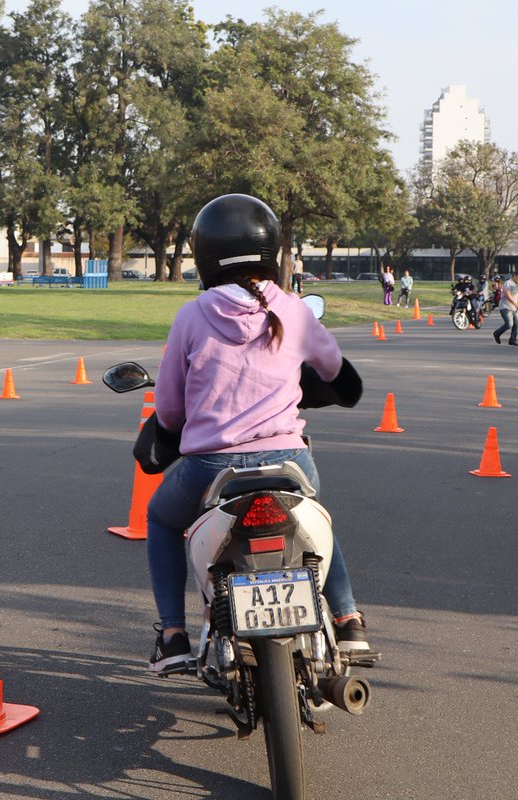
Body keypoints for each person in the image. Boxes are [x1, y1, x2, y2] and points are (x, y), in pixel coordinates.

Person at [144, 193, 372, 675]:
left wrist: (165, 435)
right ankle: (348, 619)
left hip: (211, 468)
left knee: (162, 521)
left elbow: (168, 407)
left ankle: (173, 635)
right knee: (314, 523)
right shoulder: (293, 310)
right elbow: (336, 374)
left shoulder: (191, 315)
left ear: (205, 255)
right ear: (271, 250)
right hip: (289, 457)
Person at [494, 271, 518, 346]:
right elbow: (507, 294)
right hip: (505, 307)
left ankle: (512, 340)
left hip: (513, 308)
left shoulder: (514, 284)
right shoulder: (508, 283)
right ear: (514, 276)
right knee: (509, 324)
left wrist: (515, 305)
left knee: (517, 323)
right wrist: (515, 304)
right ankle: (497, 333)